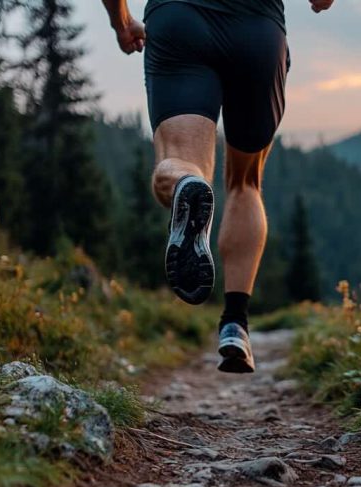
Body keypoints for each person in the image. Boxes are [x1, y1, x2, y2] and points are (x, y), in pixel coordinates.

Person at [100, 0, 335, 373]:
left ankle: (188, 184)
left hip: (179, 20)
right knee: (245, 182)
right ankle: (235, 323)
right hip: (257, 29)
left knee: (177, 162)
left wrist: (121, 21)